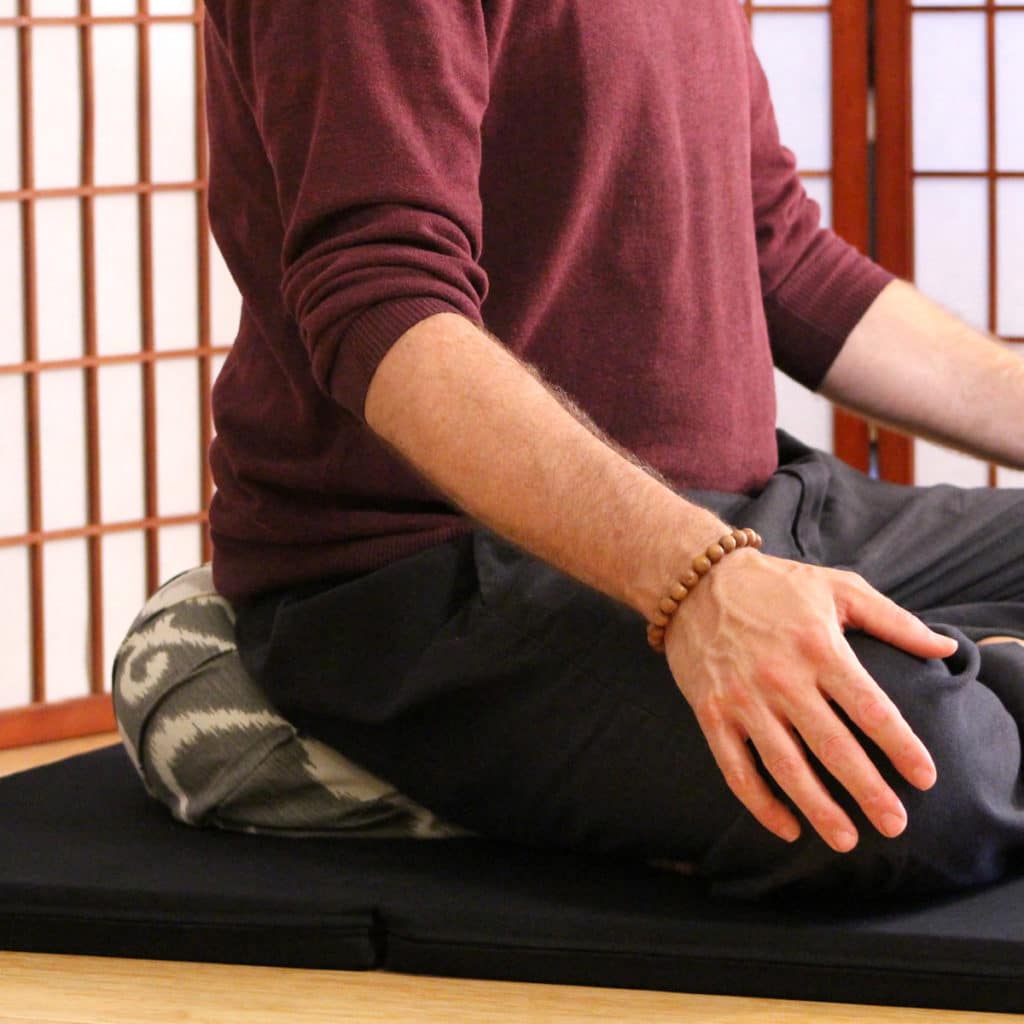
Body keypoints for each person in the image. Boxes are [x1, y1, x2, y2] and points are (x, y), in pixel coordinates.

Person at [199, 1, 1024, 897]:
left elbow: (779, 254)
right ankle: (958, 683)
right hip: (441, 575)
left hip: (753, 516)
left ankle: (963, 673)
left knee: (930, 731)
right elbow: (384, 306)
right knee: (929, 776)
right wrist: (700, 578)